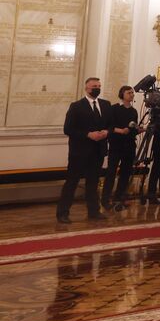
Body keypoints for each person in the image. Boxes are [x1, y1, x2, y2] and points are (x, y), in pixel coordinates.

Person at [57, 77, 111, 223]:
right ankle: (63, 213)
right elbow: (68, 129)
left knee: (93, 183)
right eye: (94, 86)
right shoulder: (76, 106)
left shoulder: (106, 105)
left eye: (99, 86)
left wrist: (106, 132)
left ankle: (93, 211)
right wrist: (88, 134)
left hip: (98, 151)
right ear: (87, 88)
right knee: (72, 183)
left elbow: (110, 125)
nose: (97, 88)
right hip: (79, 152)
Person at [102, 85, 138, 212]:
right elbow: (108, 127)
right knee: (111, 172)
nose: (132, 95)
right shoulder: (114, 109)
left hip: (129, 146)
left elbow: (133, 129)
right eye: (129, 93)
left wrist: (137, 130)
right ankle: (105, 199)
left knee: (125, 173)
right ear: (122, 94)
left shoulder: (134, 111)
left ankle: (119, 197)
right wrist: (120, 130)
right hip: (116, 145)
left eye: (132, 93)